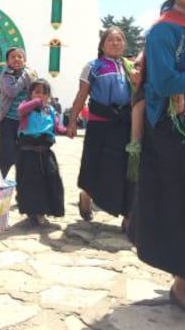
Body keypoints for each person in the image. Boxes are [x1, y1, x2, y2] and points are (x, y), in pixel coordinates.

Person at [130, 0, 185, 318]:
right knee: (184, 208)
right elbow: (165, 80)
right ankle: (183, 284)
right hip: (177, 134)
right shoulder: (164, 30)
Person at [66, 27, 133, 231]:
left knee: (122, 167)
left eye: (119, 40)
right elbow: (82, 95)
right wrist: (72, 121)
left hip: (123, 123)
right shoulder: (93, 66)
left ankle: (127, 214)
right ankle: (87, 194)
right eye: (110, 40)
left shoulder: (130, 67)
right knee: (93, 162)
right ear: (102, 45)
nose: (115, 43)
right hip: (99, 122)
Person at [16, 78, 66, 227]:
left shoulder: (50, 110)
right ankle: (33, 212)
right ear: (30, 93)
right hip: (28, 153)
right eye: (37, 92)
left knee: (51, 180)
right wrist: (36, 102)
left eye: (45, 93)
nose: (41, 96)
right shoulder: (25, 106)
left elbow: (57, 127)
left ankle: (44, 211)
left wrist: (68, 131)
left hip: (45, 152)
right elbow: (21, 111)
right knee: (31, 183)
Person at [0, 47, 37, 178]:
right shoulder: (6, 75)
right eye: (13, 57)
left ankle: (24, 183)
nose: (16, 59)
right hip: (8, 120)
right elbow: (12, 91)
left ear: (25, 60)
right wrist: (25, 76)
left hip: (25, 121)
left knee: (25, 153)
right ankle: (0, 182)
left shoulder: (32, 74)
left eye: (20, 57)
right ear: (7, 61)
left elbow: (36, 92)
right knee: (6, 154)